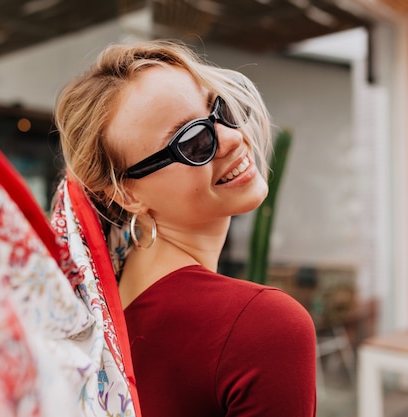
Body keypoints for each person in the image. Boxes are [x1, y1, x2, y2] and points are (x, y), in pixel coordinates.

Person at [54, 40, 317, 416]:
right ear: (127, 194)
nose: (230, 138)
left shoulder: (92, 326)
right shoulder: (262, 326)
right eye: (192, 142)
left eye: (219, 108)